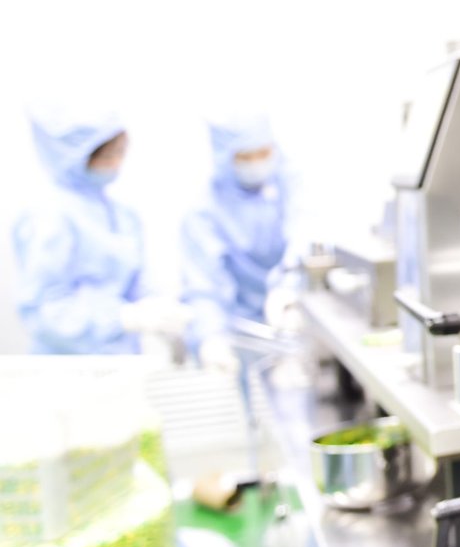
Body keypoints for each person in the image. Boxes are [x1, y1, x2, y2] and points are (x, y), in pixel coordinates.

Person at [13, 104, 191, 354]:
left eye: (120, 152)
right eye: (106, 156)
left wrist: (159, 305)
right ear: (76, 156)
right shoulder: (47, 216)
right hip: (66, 364)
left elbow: (135, 283)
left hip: (121, 358)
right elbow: (43, 310)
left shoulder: (121, 214)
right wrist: (120, 318)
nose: (116, 163)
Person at [180, 113, 291, 374]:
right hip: (240, 333)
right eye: (244, 157)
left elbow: (307, 236)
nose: (256, 163)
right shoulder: (205, 211)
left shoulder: (290, 184)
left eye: (263, 153)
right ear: (224, 157)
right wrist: (210, 338)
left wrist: (290, 290)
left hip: (292, 324)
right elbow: (203, 285)